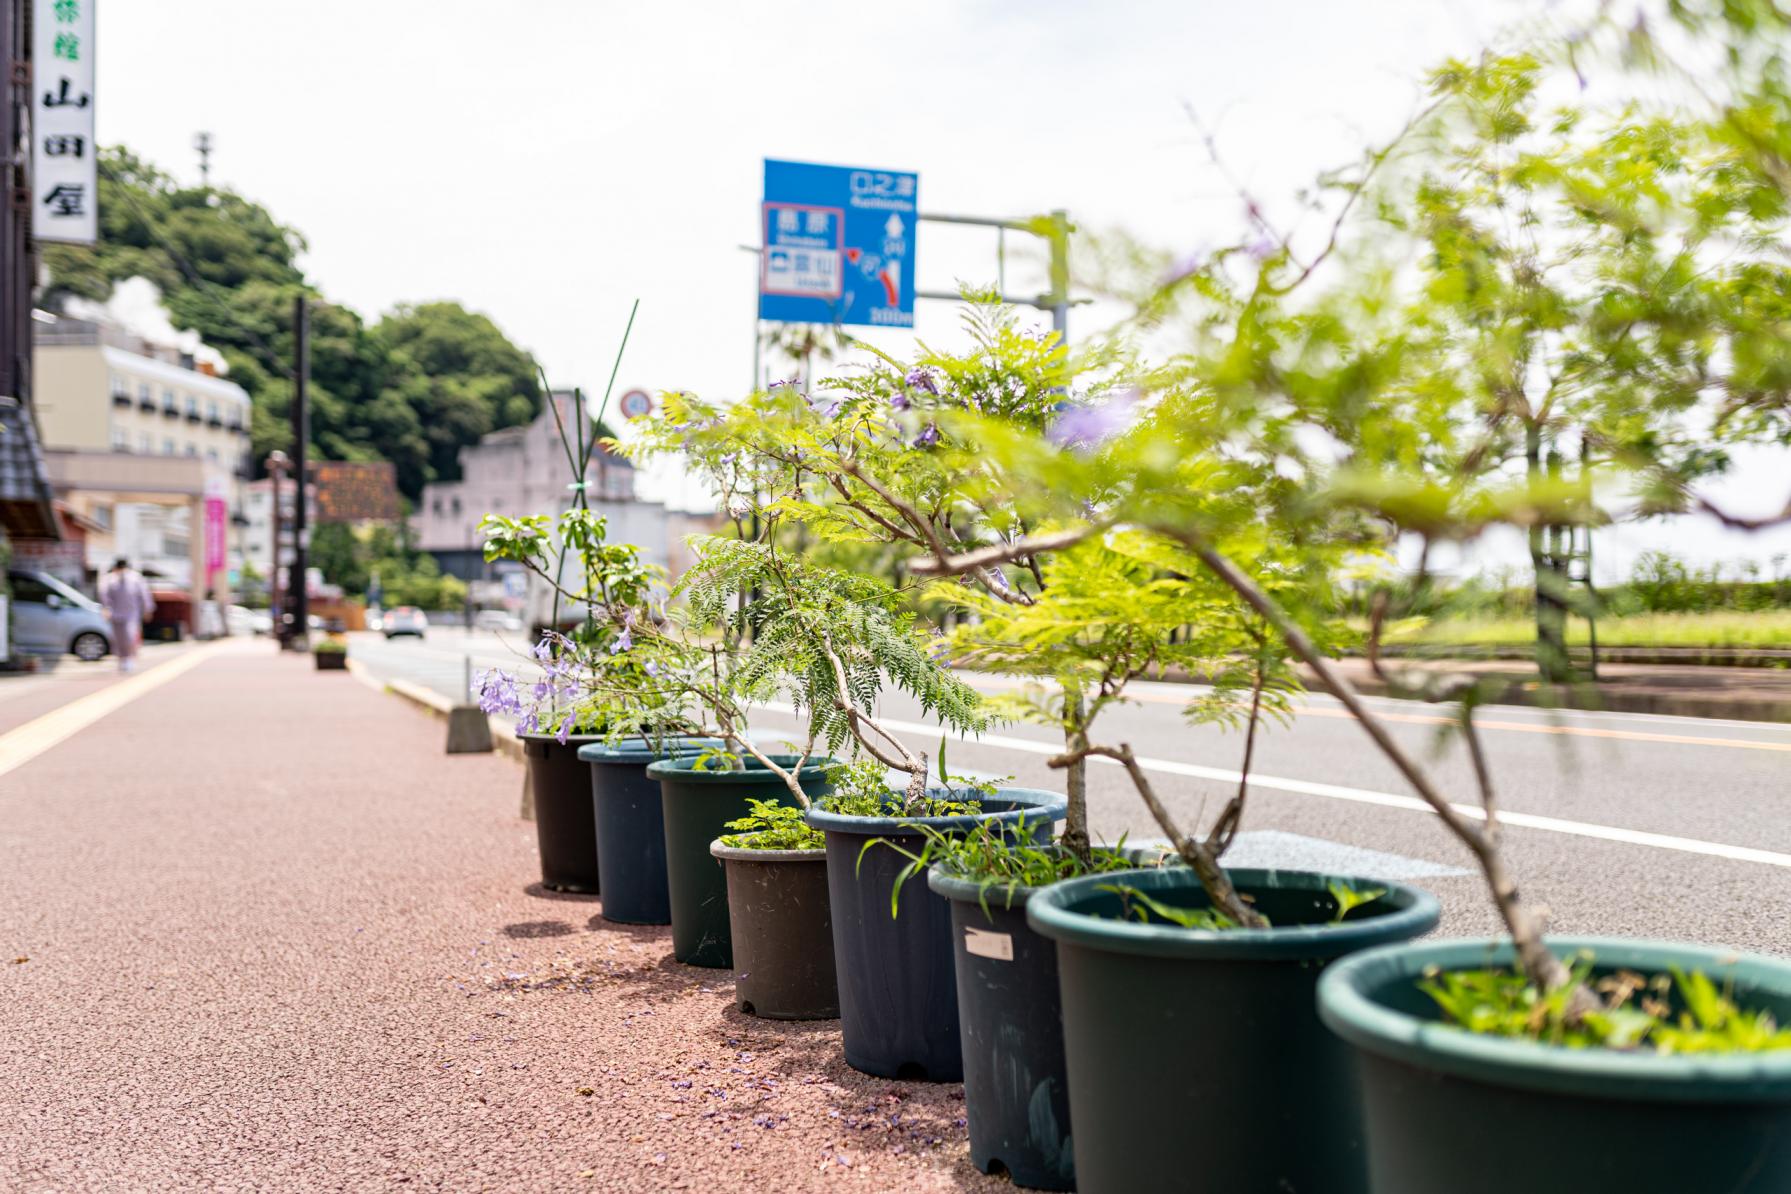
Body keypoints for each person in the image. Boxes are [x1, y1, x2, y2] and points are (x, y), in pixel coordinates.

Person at [98, 558, 155, 672]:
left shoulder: (136, 578)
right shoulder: (110, 579)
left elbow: (144, 595)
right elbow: (104, 596)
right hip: (115, 614)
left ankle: (129, 658)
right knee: (118, 639)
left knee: (129, 636)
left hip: (131, 614)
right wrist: (106, 609)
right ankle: (121, 659)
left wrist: (148, 610)